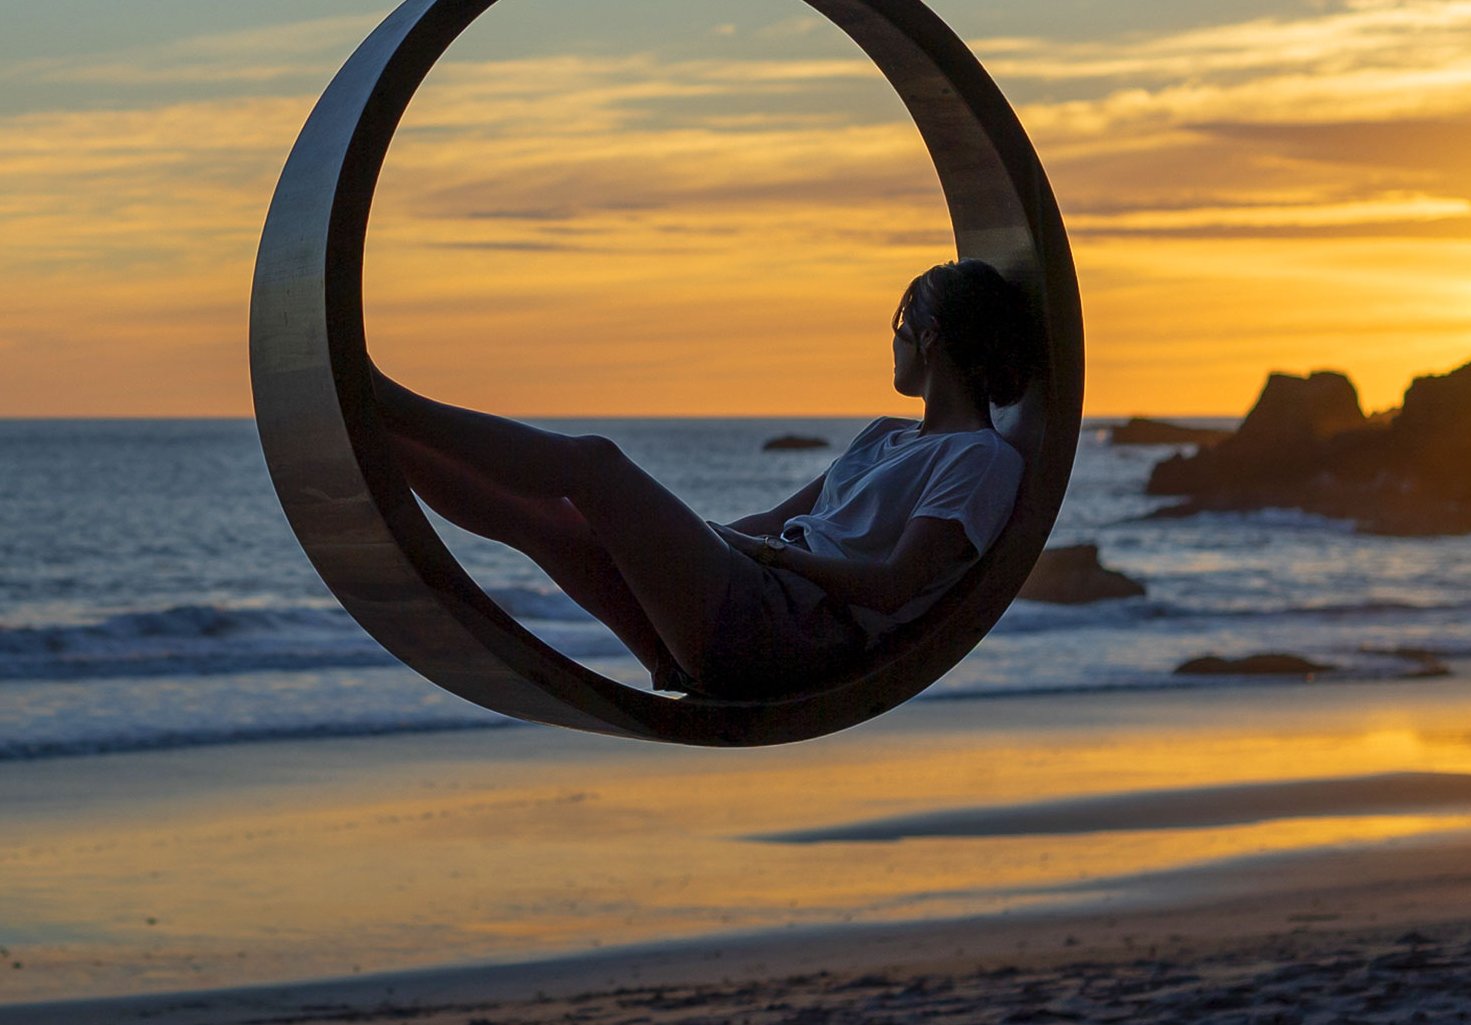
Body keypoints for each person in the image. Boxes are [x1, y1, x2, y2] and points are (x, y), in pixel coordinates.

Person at [374, 259, 1042, 698]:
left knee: (593, 464)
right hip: (748, 602)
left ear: (930, 340)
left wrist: (763, 555)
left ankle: (385, 401)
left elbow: (895, 585)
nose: (893, 343)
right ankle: (378, 439)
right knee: (551, 524)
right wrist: (675, 538)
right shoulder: (884, 437)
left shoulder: (979, 460)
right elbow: (771, 522)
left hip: (782, 631)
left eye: (901, 328)